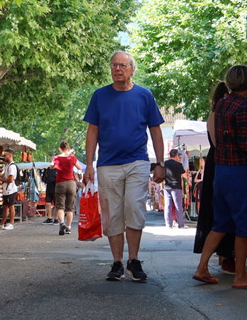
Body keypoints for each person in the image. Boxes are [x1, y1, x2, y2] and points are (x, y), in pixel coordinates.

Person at [192, 65, 247, 289]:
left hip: (220, 171)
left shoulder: (222, 104)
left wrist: (246, 94)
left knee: (220, 223)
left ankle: (202, 268)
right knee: (245, 225)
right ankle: (241, 276)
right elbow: (243, 144)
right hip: (238, 172)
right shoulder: (246, 109)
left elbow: (232, 114)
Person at [83, 51, 165, 282]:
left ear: (131, 69)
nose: (117, 69)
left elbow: (156, 130)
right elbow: (92, 131)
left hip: (137, 161)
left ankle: (134, 259)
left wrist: (159, 163)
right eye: (113, 65)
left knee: (134, 208)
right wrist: (88, 164)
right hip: (108, 164)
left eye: (122, 65)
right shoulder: (100, 96)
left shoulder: (144, 95)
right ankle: (118, 262)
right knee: (112, 214)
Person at [52, 141, 82, 235]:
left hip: (60, 183)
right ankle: (68, 227)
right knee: (70, 207)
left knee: (60, 206)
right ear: (68, 149)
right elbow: (80, 167)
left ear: (60, 148)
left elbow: (52, 166)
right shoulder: (72, 158)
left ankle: (61, 223)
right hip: (71, 183)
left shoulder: (56, 158)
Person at [163, 149, 187, 229]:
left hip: (167, 187)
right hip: (176, 186)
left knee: (167, 206)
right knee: (178, 206)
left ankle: (168, 224)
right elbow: (184, 175)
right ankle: (181, 224)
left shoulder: (165, 164)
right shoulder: (178, 164)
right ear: (176, 155)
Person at [0, 149, 18, 230]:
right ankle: (2, 223)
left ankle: (11, 223)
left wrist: (1, 180)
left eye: (5, 155)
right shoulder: (6, 166)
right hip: (6, 190)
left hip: (10, 189)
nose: (3, 157)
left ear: (10, 155)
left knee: (11, 206)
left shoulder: (12, 166)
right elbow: (3, 175)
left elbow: (10, 179)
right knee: (5, 206)